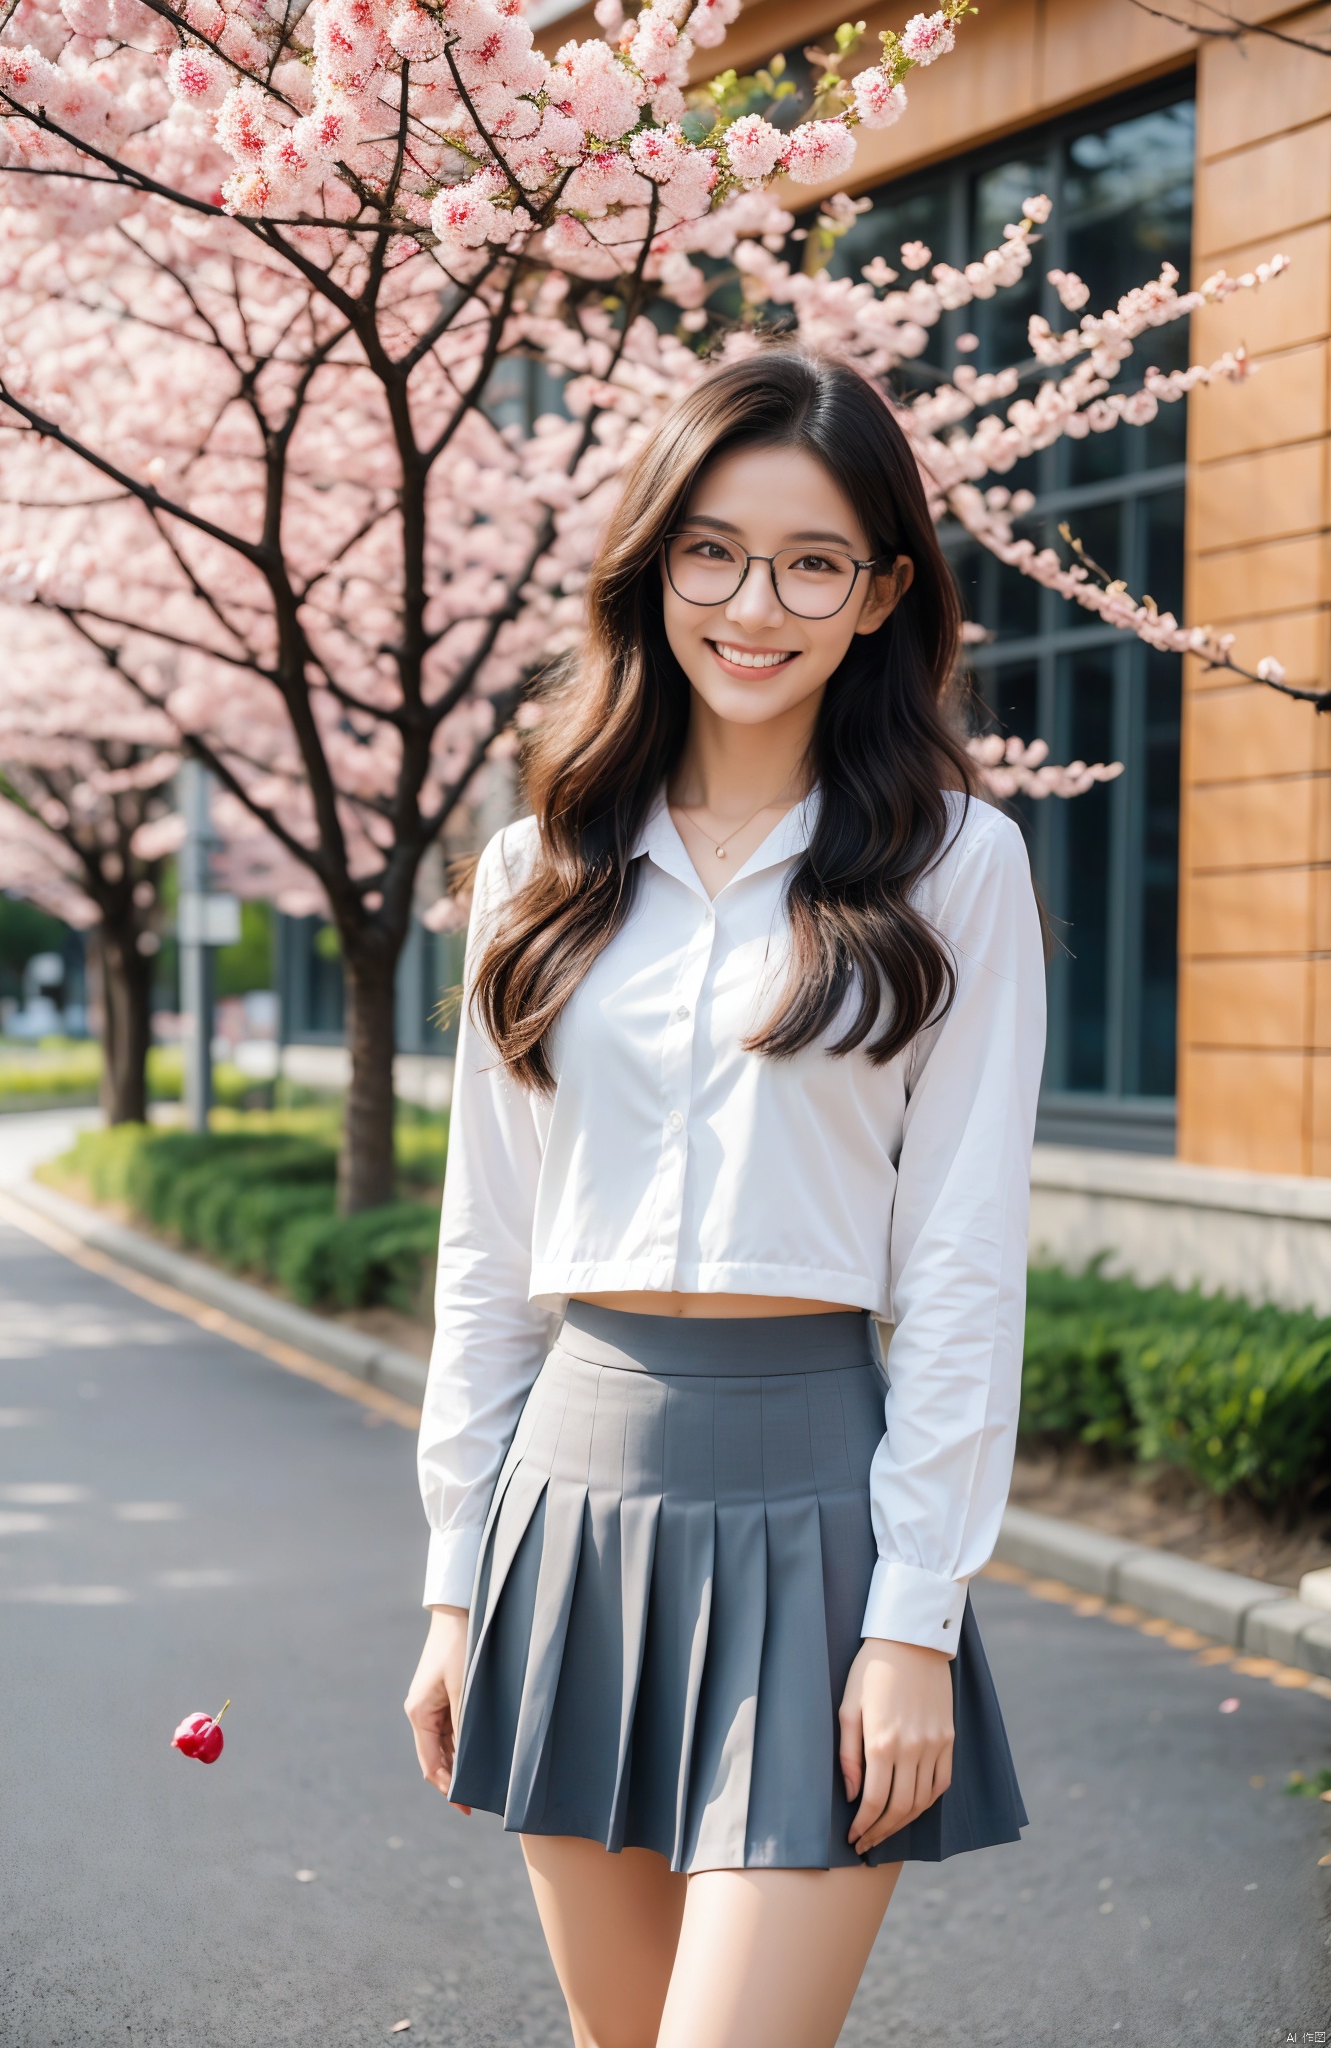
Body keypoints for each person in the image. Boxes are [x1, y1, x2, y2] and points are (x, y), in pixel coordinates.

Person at [405, 349, 1046, 2048]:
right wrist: (455, 1586)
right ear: (652, 565)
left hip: (824, 1516)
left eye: (813, 560)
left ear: (880, 592)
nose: (754, 603)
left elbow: (969, 1265)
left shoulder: (954, 865)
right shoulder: (538, 870)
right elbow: (490, 1256)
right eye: (711, 550)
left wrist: (915, 1619)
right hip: (574, 1505)